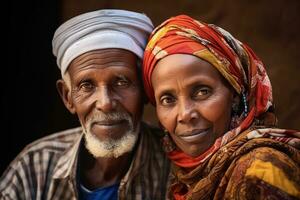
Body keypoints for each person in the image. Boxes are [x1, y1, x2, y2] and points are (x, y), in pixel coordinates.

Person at [0, 9, 171, 200]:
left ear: (146, 89)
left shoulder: (175, 170)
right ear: (67, 97)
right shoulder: (33, 169)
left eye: (122, 81)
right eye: (87, 85)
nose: (105, 103)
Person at [142, 15, 300, 200]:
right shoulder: (178, 179)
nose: (185, 114)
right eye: (168, 99)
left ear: (234, 93)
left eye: (202, 92)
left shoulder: (261, 170)